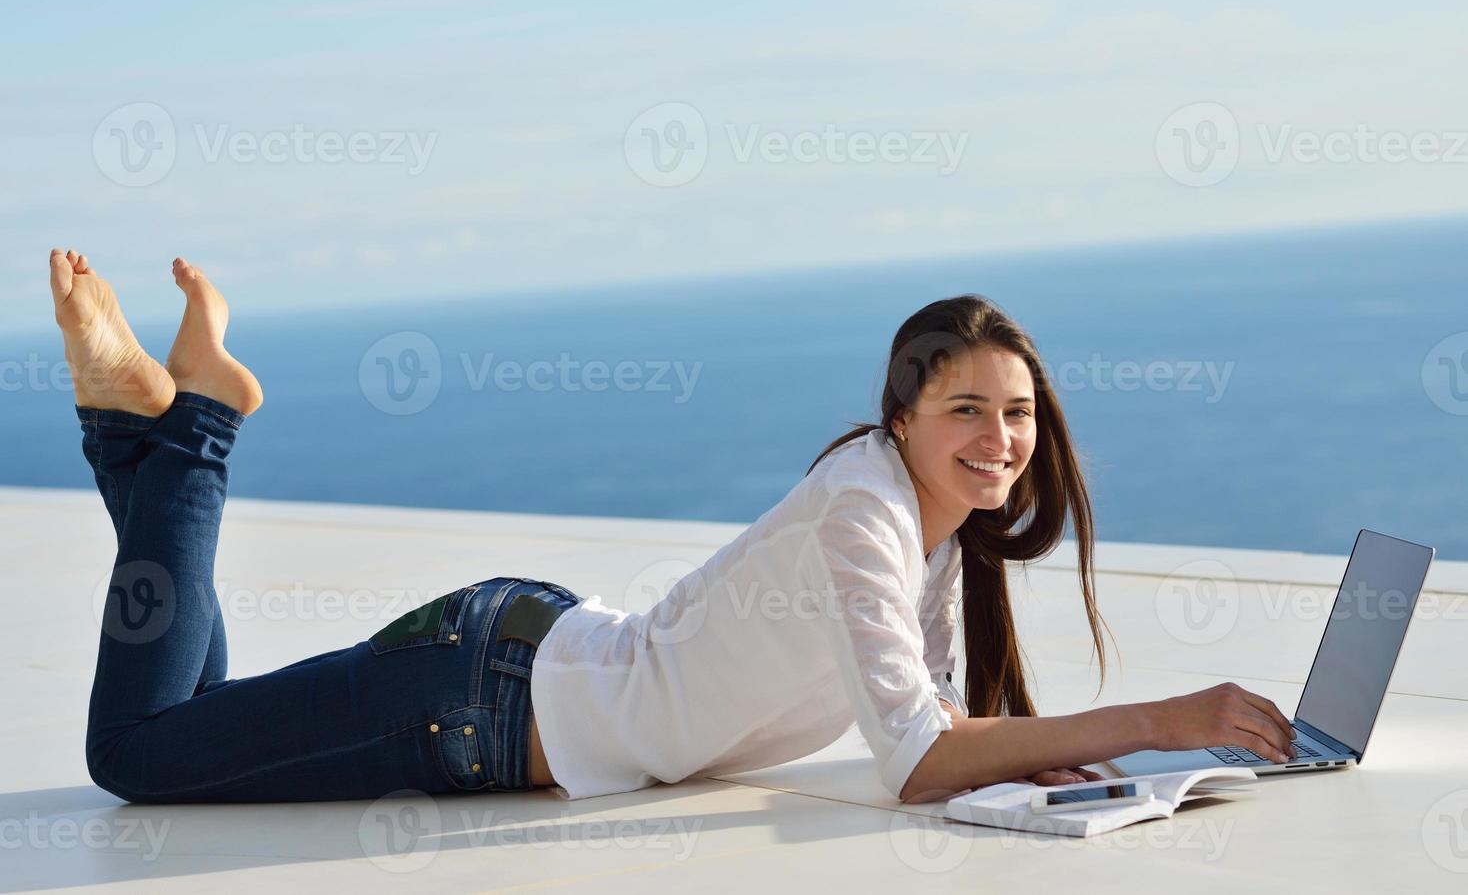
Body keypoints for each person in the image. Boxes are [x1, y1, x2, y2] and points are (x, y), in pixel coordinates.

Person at [50, 249, 1297, 806]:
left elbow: (941, 728)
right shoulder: (865, 508)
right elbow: (913, 764)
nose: (1000, 437)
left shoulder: (912, 519)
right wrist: (1163, 720)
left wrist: (1055, 759)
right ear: (902, 415)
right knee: (141, 754)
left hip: (508, 668)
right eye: (966, 406)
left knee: (195, 727)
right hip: (477, 701)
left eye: (1016, 411)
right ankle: (194, 427)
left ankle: (143, 424)